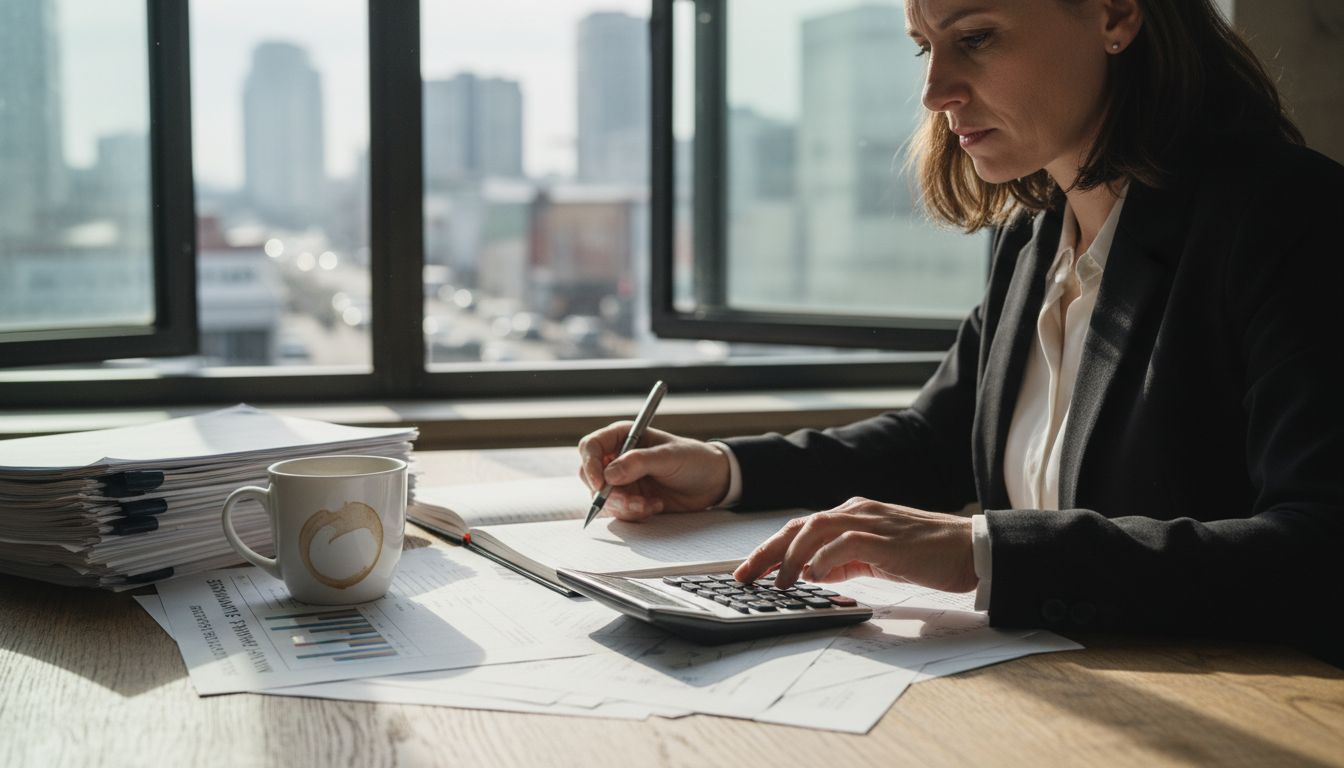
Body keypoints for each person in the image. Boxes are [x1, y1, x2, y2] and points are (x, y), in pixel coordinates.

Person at [579, 0, 1343, 664]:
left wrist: (980, 551)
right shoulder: (1037, 235)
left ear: (1115, 15)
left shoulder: (1292, 220)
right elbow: (938, 439)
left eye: (975, 38)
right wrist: (720, 470)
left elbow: (1318, 552)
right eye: (925, 45)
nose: (934, 90)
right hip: (1061, 680)